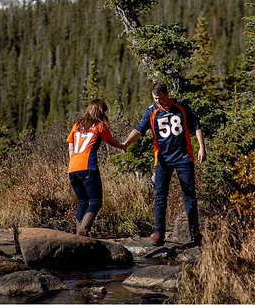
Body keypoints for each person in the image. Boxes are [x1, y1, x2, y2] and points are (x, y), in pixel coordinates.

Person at [123, 81, 206, 246]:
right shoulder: (152, 111)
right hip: (162, 159)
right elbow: (139, 129)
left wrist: (202, 147)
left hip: (183, 157)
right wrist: (126, 143)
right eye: (155, 98)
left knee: (189, 195)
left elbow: (196, 125)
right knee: (160, 195)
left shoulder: (181, 106)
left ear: (167, 94)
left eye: (160, 98)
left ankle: (194, 232)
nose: (157, 101)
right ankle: (159, 232)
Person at [67, 99, 124, 236]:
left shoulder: (77, 125)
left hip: (73, 168)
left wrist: (74, 161)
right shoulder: (100, 126)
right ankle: (83, 230)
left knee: (82, 202)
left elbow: (70, 146)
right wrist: (122, 146)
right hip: (88, 167)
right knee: (96, 201)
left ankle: (77, 236)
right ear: (100, 112)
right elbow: (110, 141)